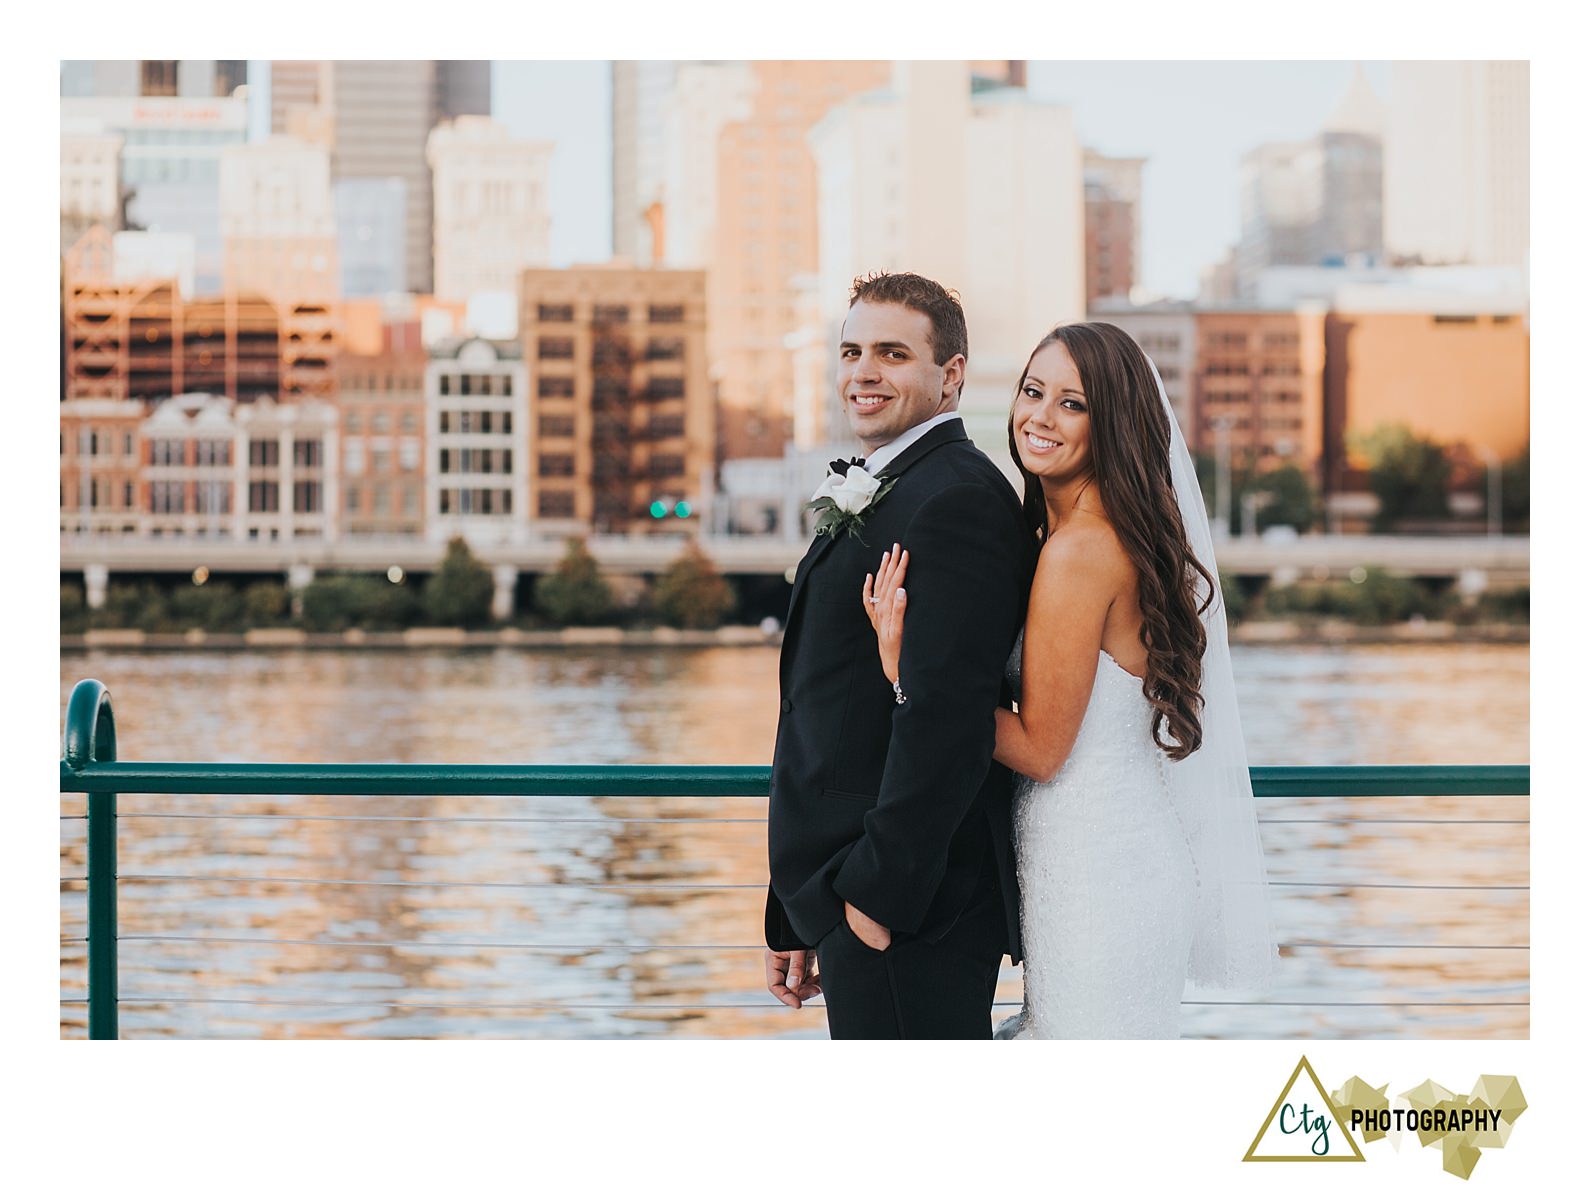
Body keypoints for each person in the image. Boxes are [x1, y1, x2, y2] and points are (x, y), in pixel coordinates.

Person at [863, 322, 1275, 1037]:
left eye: (1072, 404)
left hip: (1098, 875)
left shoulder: (1080, 551)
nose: (1040, 418)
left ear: (1111, 422)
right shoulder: (1082, 534)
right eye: (1032, 392)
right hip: (1103, 858)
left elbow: (1041, 748)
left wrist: (914, 675)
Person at [762, 272, 1036, 1039]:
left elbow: (948, 720)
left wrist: (874, 903)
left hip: (911, 908)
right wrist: (793, 907)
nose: (864, 372)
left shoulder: (959, 501)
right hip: (845, 895)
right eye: (851, 351)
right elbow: (824, 706)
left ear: (950, 377)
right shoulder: (894, 482)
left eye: (892, 353)